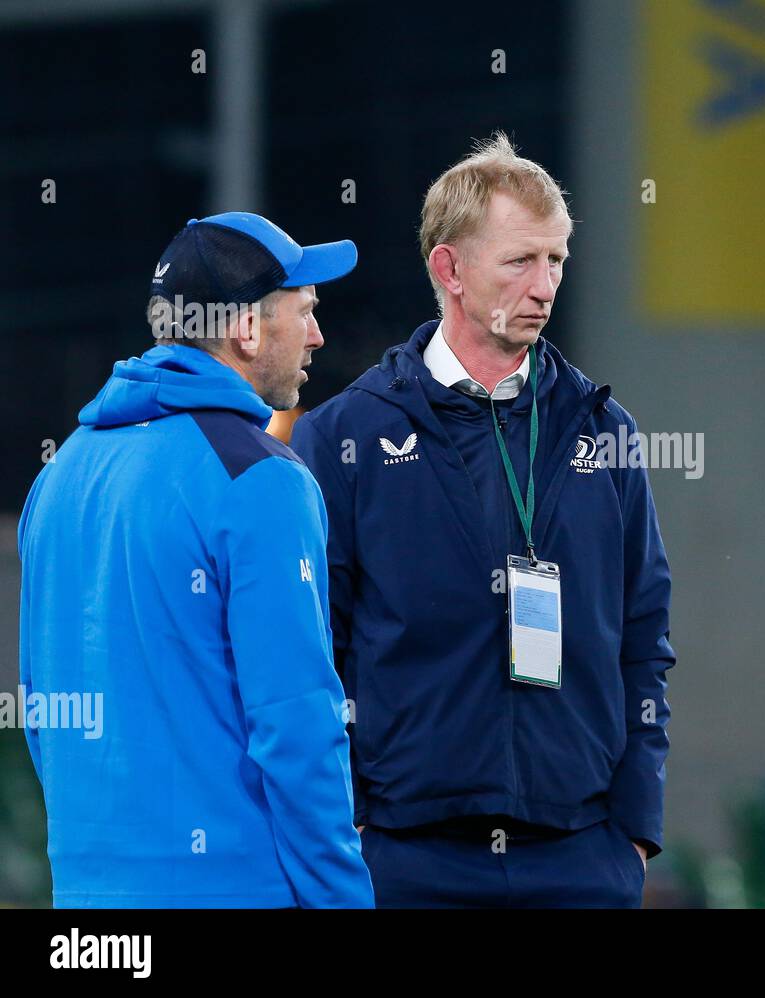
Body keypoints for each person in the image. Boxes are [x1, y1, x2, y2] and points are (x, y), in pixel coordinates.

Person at [290, 134, 673, 908]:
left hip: (580, 854)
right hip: (405, 855)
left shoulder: (606, 430)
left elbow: (644, 634)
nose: (545, 287)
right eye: (520, 262)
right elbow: (314, 650)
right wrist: (351, 826)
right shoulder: (343, 436)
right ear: (449, 270)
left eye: (557, 260)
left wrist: (635, 831)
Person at [17, 212, 374, 908]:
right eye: (304, 311)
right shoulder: (262, 478)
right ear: (245, 329)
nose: (317, 335)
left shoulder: (58, 476)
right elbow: (298, 724)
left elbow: (42, 708)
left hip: (88, 905)